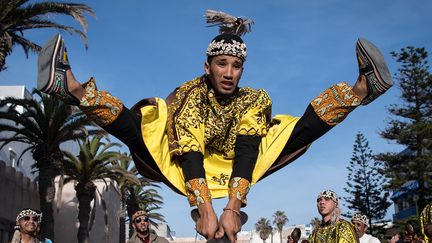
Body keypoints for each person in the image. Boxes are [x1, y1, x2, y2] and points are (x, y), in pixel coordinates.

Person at [36, 9, 393, 242]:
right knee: (139, 126)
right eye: (221, 64)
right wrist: (206, 211)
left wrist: (233, 208)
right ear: (207, 66)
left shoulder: (253, 98)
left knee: (293, 131)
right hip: (189, 165)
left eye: (236, 66)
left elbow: (248, 148)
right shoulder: (191, 94)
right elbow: (189, 151)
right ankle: (70, 87)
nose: (228, 73)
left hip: (238, 163)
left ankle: (363, 89)